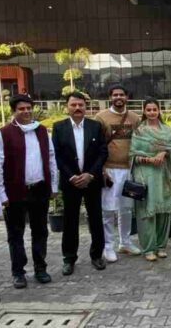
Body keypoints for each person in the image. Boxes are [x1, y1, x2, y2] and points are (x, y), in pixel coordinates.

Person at [0, 95, 58, 289]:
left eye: (29, 108)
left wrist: (53, 185)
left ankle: (40, 268)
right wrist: (1, 194)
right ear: (14, 111)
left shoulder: (42, 131)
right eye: (22, 109)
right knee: (15, 234)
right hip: (15, 191)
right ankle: (18, 272)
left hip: (39, 189)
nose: (26, 112)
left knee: (40, 231)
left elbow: (51, 159)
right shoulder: (2, 134)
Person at [52, 92, 108, 276]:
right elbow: (57, 156)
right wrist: (71, 176)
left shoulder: (95, 126)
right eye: (73, 105)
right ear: (67, 107)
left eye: (81, 105)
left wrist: (90, 174)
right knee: (70, 220)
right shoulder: (59, 128)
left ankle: (97, 255)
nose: (77, 108)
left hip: (92, 181)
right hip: (71, 183)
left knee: (96, 219)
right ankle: (69, 258)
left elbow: (102, 152)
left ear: (86, 107)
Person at [94, 85, 142, 262]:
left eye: (122, 94)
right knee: (108, 209)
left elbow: (141, 141)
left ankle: (125, 242)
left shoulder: (135, 118)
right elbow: (96, 146)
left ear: (126, 97)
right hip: (110, 170)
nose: (119, 97)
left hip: (129, 170)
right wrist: (101, 169)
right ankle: (108, 246)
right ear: (110, 97)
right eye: (115, 95)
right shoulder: (101, 118)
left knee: (126, 209)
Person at [130, 98, 171, 262]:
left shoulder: (167, 130)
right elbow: (132, 155)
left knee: (164, 211)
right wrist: (150, 160)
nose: (152, 112)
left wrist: (164, 153)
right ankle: (148, 248)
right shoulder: (139, 132)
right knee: (147, 212)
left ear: (159, 111)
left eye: (154, 109)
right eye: (148, 110)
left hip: (163, 175)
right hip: (145, 175)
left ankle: (160, 246)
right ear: (144, 111)